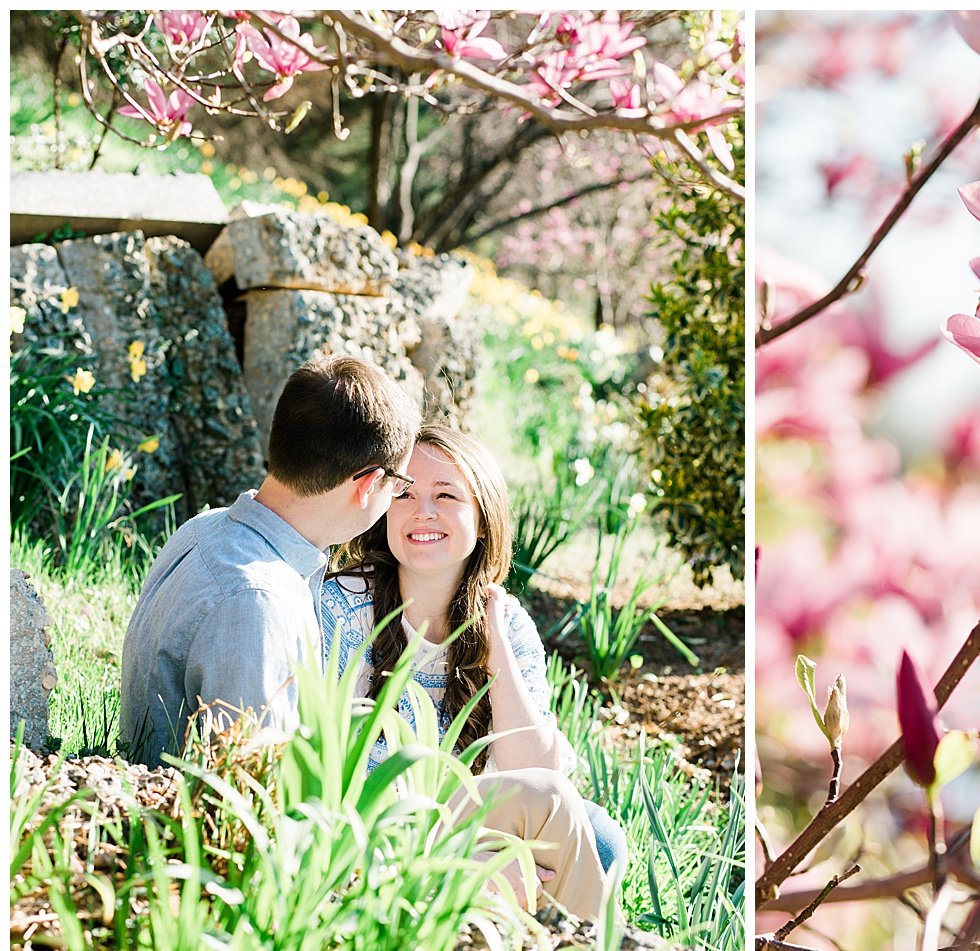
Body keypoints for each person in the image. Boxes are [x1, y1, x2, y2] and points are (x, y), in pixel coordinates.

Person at [319, 425, 624, 920]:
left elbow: (534, 767)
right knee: (568, 821)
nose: (424, 511)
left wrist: (495, 643)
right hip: (372, 828)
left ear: (483, 519)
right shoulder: (344, 610)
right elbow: (334, 781)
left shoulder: (509, 625)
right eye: (404, 493)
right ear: (382, 510)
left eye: (446, 495)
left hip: (473, 818)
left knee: (600, 834)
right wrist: (448, 857)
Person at [120, 354, 422, 766]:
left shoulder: (204, 528)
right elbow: (249, 786)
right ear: (369, 484)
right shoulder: (256, 600)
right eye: (400, 484)